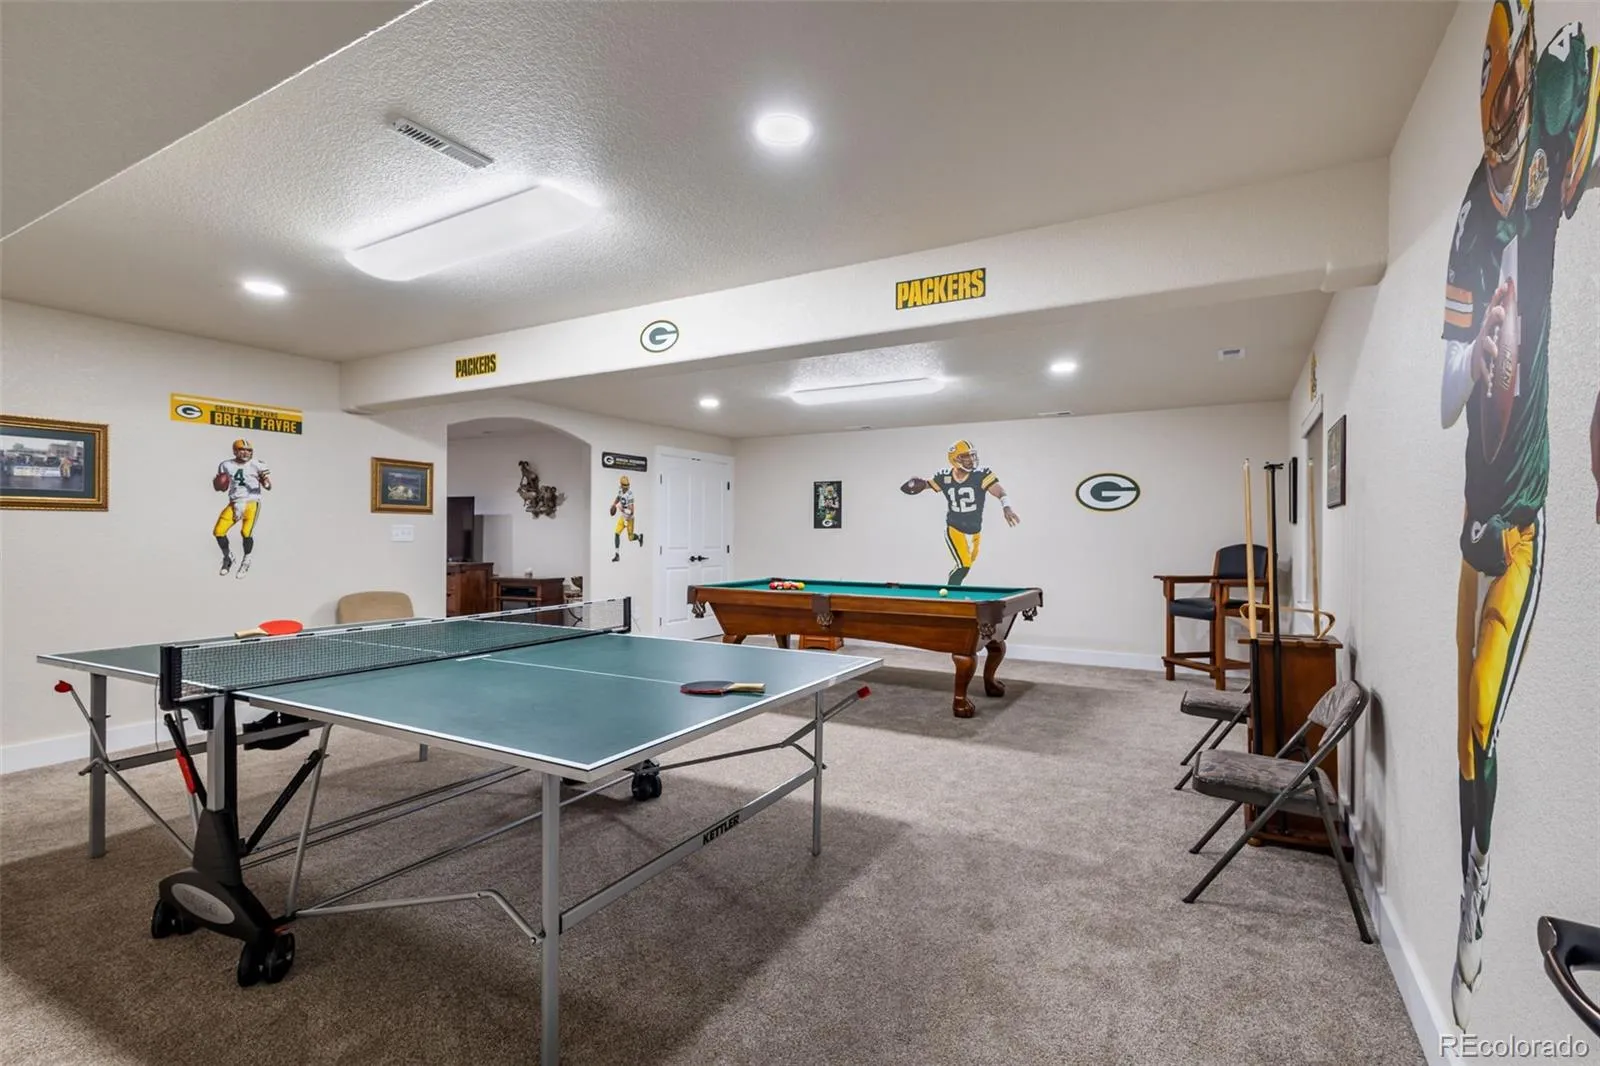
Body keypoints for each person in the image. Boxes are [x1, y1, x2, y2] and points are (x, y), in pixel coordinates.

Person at [1437, 0, 1597, 1030]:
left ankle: (1475, 886)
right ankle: (1474, 869)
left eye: (1511, 61)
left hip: (1524, 524)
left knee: (1480, 723)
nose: (1500, 82)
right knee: (1464, 733)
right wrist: (1477, 347)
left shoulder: (1550, 137)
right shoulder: (1468, 218)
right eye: (1489, 65)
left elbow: (1576, 142)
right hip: (1471, 521)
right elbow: (1444, 397)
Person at [899, 438, 1018, 585]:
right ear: (955, 459)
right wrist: (920, 483)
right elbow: (928, 484)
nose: (970, 459)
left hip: (975, 531)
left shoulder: (981, 475)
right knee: (964, 565)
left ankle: (954, 586)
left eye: (972, 455)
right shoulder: (944, 476)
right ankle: (952, 594)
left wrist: (1006, 507)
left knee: (967, 564)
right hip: (954, 528)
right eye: (966, 456)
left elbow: (1000, 492)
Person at [213, 438, 271, 577]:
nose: (245, 453)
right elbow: (222, 486)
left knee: (246, 533)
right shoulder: (226, 465)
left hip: (251, 502)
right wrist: (219, 484)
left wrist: (265, 482)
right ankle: (228, 557)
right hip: (234, 502)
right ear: (235, 451)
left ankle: (246, 560)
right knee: (218, 531)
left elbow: (268, 486)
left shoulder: (257, 464)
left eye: (248, 450)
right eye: (242, 450)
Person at [609, 474, 642, 562]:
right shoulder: (620, 490)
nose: (625, 488)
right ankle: (617, 555)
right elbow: (618, 497)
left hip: (629, 519)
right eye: (624, 486)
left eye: (626, 486)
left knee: (630, 538)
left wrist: (623, 509)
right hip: (623, 517)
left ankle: (639, 537)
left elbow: (632, 511)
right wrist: (614, 504)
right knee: (616, 533)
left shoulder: (630, 494)